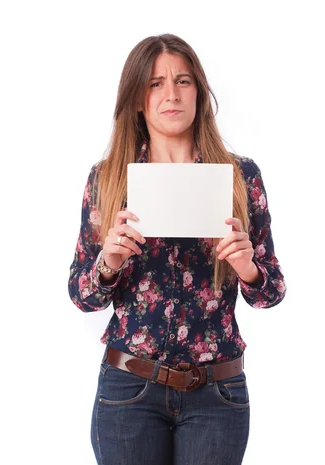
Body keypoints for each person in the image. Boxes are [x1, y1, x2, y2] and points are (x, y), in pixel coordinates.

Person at [67, 34, 286, 465]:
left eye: (183, 81)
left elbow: (271, 292)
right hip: (130, 390)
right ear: (136, 98)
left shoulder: (240, 176)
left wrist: (248, 268)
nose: (171, 94)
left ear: (199, 92)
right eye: (155, 83)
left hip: (216, 393)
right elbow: (82, 296)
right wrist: (107, 264)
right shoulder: (108, 179)